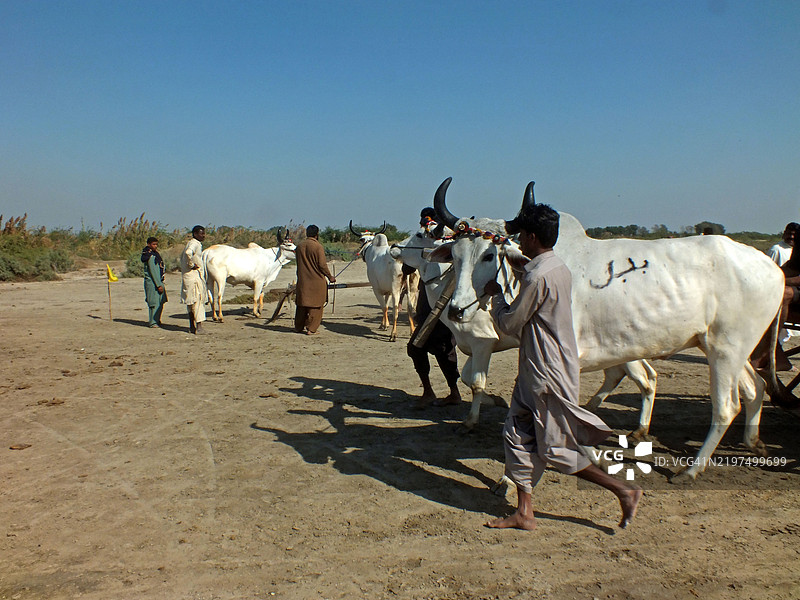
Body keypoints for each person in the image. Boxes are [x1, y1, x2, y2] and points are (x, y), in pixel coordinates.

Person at [483, 202, 641, 531]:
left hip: (546, 372)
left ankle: (623, 490)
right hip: (536, 366)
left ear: (529, 236)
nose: (520, 241)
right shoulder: (556, 267)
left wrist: (496, 297)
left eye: (522, 235)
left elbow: (510, 325)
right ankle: (524, 511)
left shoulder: (538, 276)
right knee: (517, 432)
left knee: (555, 450)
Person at [407, 207, 461, 409]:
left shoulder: (446, 244)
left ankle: (434, 392)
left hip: (440, 309)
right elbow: (408, 263)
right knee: (439, 350)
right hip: (430, 309)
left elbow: (408, 265)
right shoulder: (426, 241)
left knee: (428, 348)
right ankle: (440, 392)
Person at [294, 225, 336, 335]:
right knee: (316, 306)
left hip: (303, 281)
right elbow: (322, 265)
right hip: (316, 281)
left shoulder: (299, 246)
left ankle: (298, 327)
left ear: (307, 234)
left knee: (302, 304)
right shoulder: (318, 247)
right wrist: (330, 277)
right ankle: (311, 329)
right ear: (317, 235)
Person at [180, 225, 209, 335]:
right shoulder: (194, 244)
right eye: (201, 233)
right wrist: (191, 265)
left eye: (204, 233)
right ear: (195, 234)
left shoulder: (191, 243)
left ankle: (192, 326)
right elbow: (188, 253)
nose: (203, 235)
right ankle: (199, 327)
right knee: (198, 301)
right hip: (194, 276)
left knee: (190, 302)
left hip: (188, 277)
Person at [141, 236, 167, 328]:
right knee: (154, 303)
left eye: (156, 244)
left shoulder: (155, 254)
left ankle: (157, 319)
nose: (155, 246)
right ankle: (152, 322)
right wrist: (158, 284)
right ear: (149, 245)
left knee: (161, 301)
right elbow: (153, 271)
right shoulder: (150, 256)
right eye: (153, 244)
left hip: (158, 281)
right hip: (153, 282)